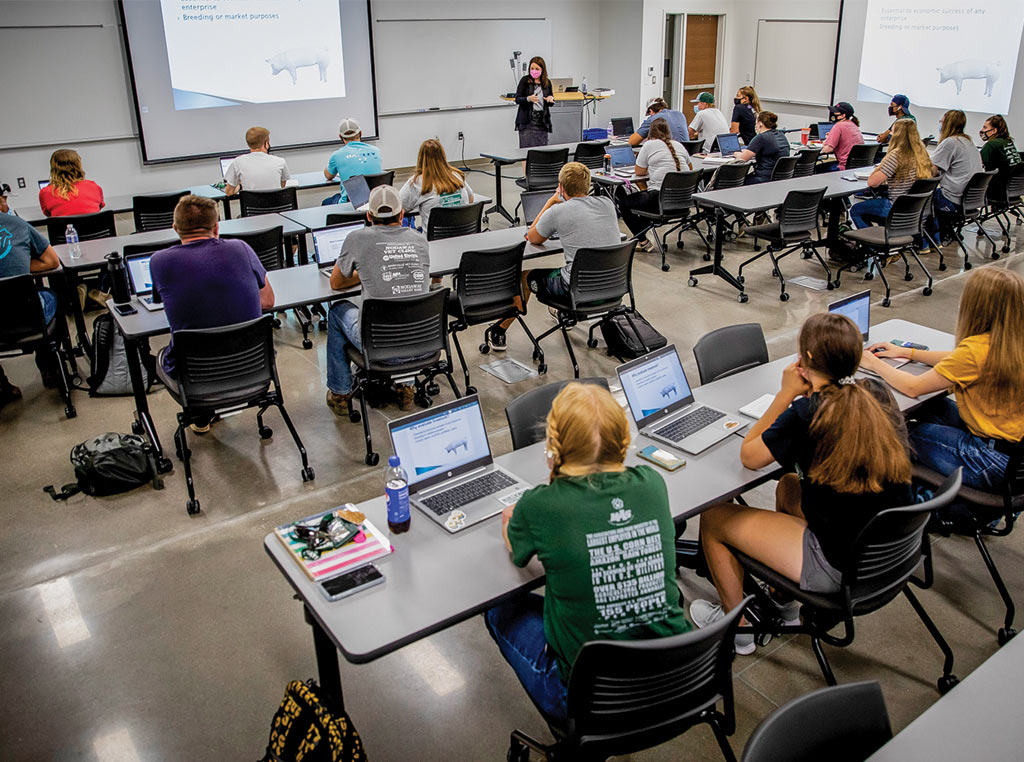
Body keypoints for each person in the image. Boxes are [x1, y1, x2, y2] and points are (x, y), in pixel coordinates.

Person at [690, 312, 913, 653]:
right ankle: (781, 600)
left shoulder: (809, 413)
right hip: (888, 553)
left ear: (805, 359)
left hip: (841, 566)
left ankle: (738, 630)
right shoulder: (876, 393)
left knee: (715, 516)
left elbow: (749, 456)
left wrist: (785, 394)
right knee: (790, 486)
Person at [485, 382, 692, 722]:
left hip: (592, 701)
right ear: (623, 439)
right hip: (673, 678)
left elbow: (517, 551)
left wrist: (519, 518)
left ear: (554, 446)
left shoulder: (540, 504)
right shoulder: (652, 483)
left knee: (499, 607)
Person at [860, 267, 1024, 492]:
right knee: (931, 407)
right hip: (1012, 455)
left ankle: (912, 502)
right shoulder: (1012, 342)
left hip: (988, 460)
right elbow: (956, 359)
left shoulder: (976, 351)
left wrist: (872, 362)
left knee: (892, 434)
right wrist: (907, 353)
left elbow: (913, 387)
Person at [150, 195, 275, 432]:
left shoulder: (160, 261)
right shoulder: (241, 249)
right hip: (253, 366)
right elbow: (268, 301)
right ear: (217, 226)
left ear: (175, 228)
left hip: (197, 377)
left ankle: (201, 416)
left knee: (162, 353)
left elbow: (164, 305)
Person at [324, 185, 430, 414]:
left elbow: (336, 283)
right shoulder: (419, 239)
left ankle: (340, 393)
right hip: (423, 344)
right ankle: (406, 386)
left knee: (337, 311)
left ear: (368, 216)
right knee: (406, 312)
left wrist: (366, 273)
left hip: (379, 346)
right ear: (402, 215)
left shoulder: (357, 238)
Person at [491, 162, 619, 350]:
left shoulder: (558, 211)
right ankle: (567, 314)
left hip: (576, 291)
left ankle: (499, 330)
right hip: (613, 287)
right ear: (588, 184)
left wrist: (551, 202)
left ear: (561, 187)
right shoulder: (607, 204)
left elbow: (532, 237)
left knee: (525, 277)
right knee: (568, 267)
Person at [0, 185, 62, 387]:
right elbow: (52, 262)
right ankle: (49, 366)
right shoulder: (16, 223)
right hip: (27, 314)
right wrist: (17, 264)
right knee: (48, 295)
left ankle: (2, 384)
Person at [617, 118, 691, 250]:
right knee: (643, 198)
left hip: (660, 201)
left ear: (650, 133)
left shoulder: (649, 145)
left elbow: (639, 172)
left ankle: (643, 241)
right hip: (684, 202)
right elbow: (690, 170)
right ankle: (646, 230)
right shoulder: (679, 145)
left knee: (624, 202)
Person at [849, 118, 933, 229]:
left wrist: (881, 167)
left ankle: (871, 245)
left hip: (897, 208)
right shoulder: (922, 153)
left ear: (897, 135)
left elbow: (872, 182)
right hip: (916, 210)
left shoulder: (897, 155)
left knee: (856, 210)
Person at [928, 110, 983, 244]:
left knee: (916, 199)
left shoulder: (950, 143)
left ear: (947, 124)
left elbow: (931, 171)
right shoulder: (968, 142)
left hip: (952, 199)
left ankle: (927, 238)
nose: (940, 124)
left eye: (941, 121)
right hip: (969, 201)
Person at [398, 139, 475, 232]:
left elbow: (397, 207)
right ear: (443, 156)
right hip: (464, 237)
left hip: (435, 243)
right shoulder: (456, 175)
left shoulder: (417, 182)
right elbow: (471, 198)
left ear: (421, 158)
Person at [323, 118, 382, 204]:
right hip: (375, 201)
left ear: (340, 136)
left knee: (326, 202)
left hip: (351, 203)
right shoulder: (376, 151)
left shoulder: (336, 155)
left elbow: (328, 176)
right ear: (360, 133)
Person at [224, 126, 290, 195]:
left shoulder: (238, 162)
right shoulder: (280, 161)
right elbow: (281, 186)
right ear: (266, 144)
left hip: (250, 205)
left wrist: (240, 185)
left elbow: (229, 192)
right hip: (276, 204)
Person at [38, 149, 105, 217]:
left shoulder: (46, 192)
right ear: (78, 165)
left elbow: (48, 214)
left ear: (53, 168)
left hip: (65, 227)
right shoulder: (93, 187)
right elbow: (99, 207)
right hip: (93, 227)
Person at [734, 111, 790, 184]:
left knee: (736, 181)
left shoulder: (761, 137)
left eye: (756, 123)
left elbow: (742, 158)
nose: (755, 126)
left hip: (764, 178)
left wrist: (736, 153)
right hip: (779, 178)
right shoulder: (780, 134)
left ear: (760, 124)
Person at [978, 114, 1021, 204]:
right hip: (1015, 191)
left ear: (994, 131)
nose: (982, 130)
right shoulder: (1008, 141)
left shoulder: (991, 145)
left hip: (997, 192)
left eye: (985, 127)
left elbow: (978, 163)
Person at [514, 56, 555, 149]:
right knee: (526, 151)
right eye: (532, 68)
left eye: (537, 69)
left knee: (541, 150)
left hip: (542, 121)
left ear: (542, 70)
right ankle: (525, 164)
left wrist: (550, 99)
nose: (534, 71)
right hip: (527, 121)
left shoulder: (547, 83)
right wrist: (528, 99)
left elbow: (551, 102)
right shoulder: (525, 81)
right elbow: (517, 99)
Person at [819, 102, 864, 171]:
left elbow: (827, 150)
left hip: (843, 167)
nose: (833, 114)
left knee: (817, 168)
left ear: (843, 115)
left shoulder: (839, 126)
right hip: (856, 166)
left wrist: (826, 142)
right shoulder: (854, 125)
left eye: (836, 112)